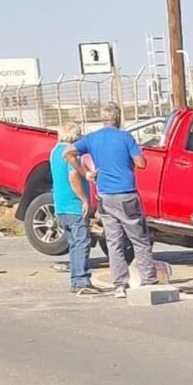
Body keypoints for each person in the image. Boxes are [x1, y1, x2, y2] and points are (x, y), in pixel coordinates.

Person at [65, 102, 157, 299]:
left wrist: (86, 172)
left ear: (102, 119)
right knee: (139, 239)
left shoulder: (92, 138)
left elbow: (69, 152)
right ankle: (149, 279)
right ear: (118, 118)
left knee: (114, 241)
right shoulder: (125, 137)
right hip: (126, 194)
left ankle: (119, 285)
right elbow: (141, 164)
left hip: (104, 196)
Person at [49, 122, 99, 295]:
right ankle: (81, 280)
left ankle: (76, 279)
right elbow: (72, 177)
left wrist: (86, 173)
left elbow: (73, 172)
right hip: (73, 205)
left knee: (73, 243)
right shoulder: (70, 154)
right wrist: (84, 199)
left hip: (60, 205)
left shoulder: (54, 151)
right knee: (82, 242)